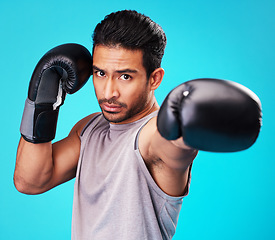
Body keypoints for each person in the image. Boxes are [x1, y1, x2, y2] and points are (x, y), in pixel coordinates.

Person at [14, 10, 262, 240]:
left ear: (154, 79)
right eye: (100, 73)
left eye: (125, 76)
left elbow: (169, 146)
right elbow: (31, 181)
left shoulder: (152, 136)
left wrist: (186, 124)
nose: (109, 92)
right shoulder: (89, 128)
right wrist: (41, 101)